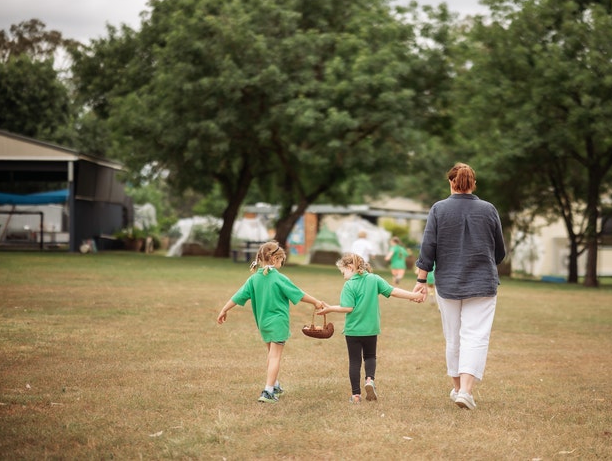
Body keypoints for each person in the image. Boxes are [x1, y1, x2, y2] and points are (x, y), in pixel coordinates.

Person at [413, 163, 506, 411]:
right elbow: (499, 252)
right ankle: (465, 391)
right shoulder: (488, 210)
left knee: (453, 337)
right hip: (483, 283)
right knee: (475, 337)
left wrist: (421, 281)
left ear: (450, 183)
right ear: (473, 183)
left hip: (448, 284)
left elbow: (427, 247)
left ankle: (457, 389)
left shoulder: (438, 209)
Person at [217, 241, 326, 404]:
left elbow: (237, 296)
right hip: (278, 323)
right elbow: (298, 293)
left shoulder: (254, 279)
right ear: (275, 259)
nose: (282, 263)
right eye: (282, 260)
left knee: (270, 354)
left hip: (263, 323)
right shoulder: (279, 278)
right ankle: (268, 391)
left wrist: (224, 310)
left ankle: (275, 385)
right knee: (275, 356)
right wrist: (316, 302)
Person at [318, 253, 423, 404]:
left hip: (353, 330)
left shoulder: (349, 285)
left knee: (354, 361)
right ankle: (369, 380)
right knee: (370, 356)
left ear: (350, 267)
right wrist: (413, 295)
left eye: (343, 272)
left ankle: (355, 396)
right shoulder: (374, 279)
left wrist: (330, 309)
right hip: (371, 329)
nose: (343, 276)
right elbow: (393, 291)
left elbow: (347, 307)